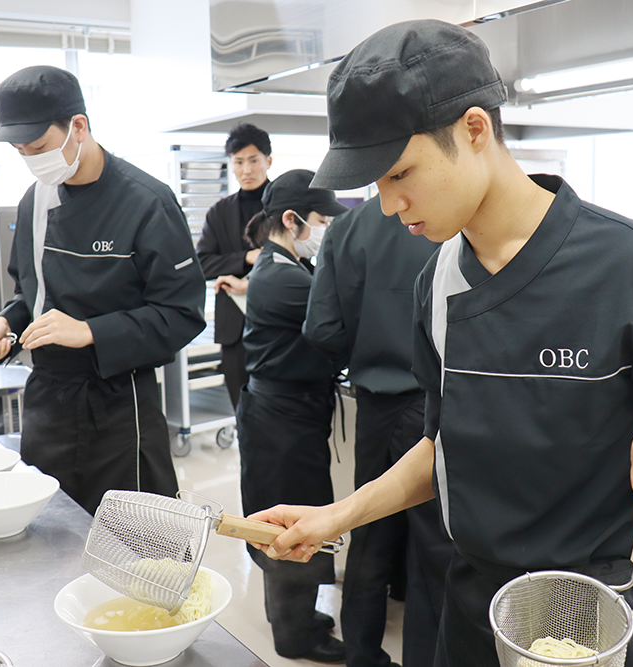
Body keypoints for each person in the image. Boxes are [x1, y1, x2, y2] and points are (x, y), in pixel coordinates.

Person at [249, 20, 633, 667]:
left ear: (473, 130)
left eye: (399, 172)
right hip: (474, 606)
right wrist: (337, 515)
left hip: (599, 609)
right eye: (375, 183)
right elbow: (441, 446)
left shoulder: (630, 266)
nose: (388, 204)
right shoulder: (437, 280)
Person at [0, 66, 206, 514]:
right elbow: (30, 295)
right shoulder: (35, 200)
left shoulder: (147, 202)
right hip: (48, 406)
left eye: (39, 147)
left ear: (78, 126)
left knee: (130, 540)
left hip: (119, 407)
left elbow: (182, 313)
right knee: (49, 533)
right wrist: (5, 325)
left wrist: (91, 331)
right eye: (21, 152)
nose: (32, 160)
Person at [303, 196, 450, 667]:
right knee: (434, 543)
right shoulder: (446, 219)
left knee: (366, 527)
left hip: (374, 404)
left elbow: (322, 328)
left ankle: (361, 655)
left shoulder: (346, 229)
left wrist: (364, 349)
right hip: (434, 403)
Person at [234, 169, 348, 663]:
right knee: (288, 522)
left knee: (289, 512)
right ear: (291, 220)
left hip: (284, 413)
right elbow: (339, 324)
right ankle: (297, 636)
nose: (324, 229)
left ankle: (295, 619)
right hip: (281, 419)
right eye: (320, 220)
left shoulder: (286, 264)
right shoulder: (281, 277)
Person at [197, 123, 273, 408]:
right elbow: (202, 263)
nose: (246, 169)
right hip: (234, 331)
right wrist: (245, 258)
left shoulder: (285, 206)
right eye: (239, 162)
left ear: (268, 160)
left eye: (254, 160)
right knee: (242, 410)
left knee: (278, 413)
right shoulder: (219, 212)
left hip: (279, 324)